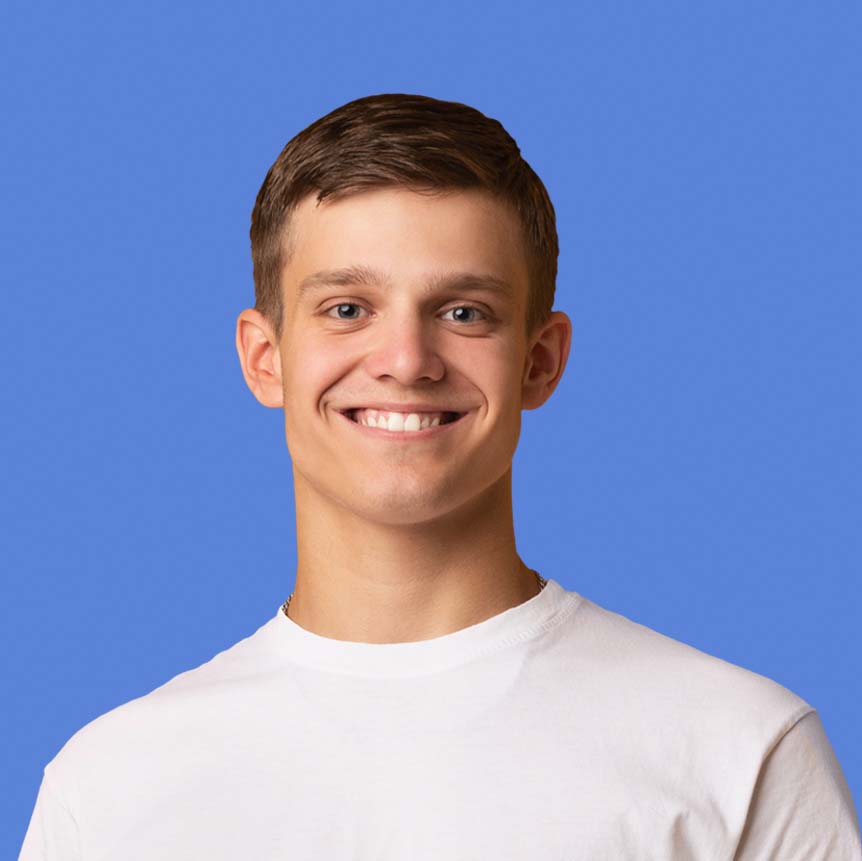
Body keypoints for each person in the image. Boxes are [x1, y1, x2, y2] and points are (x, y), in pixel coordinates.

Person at [20, 93, 860, 859]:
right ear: (265, 357)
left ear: (539, 361)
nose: (406, 360)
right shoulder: (112, 788)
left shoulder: (738, 750)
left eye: (464, 312)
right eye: (347, 308)